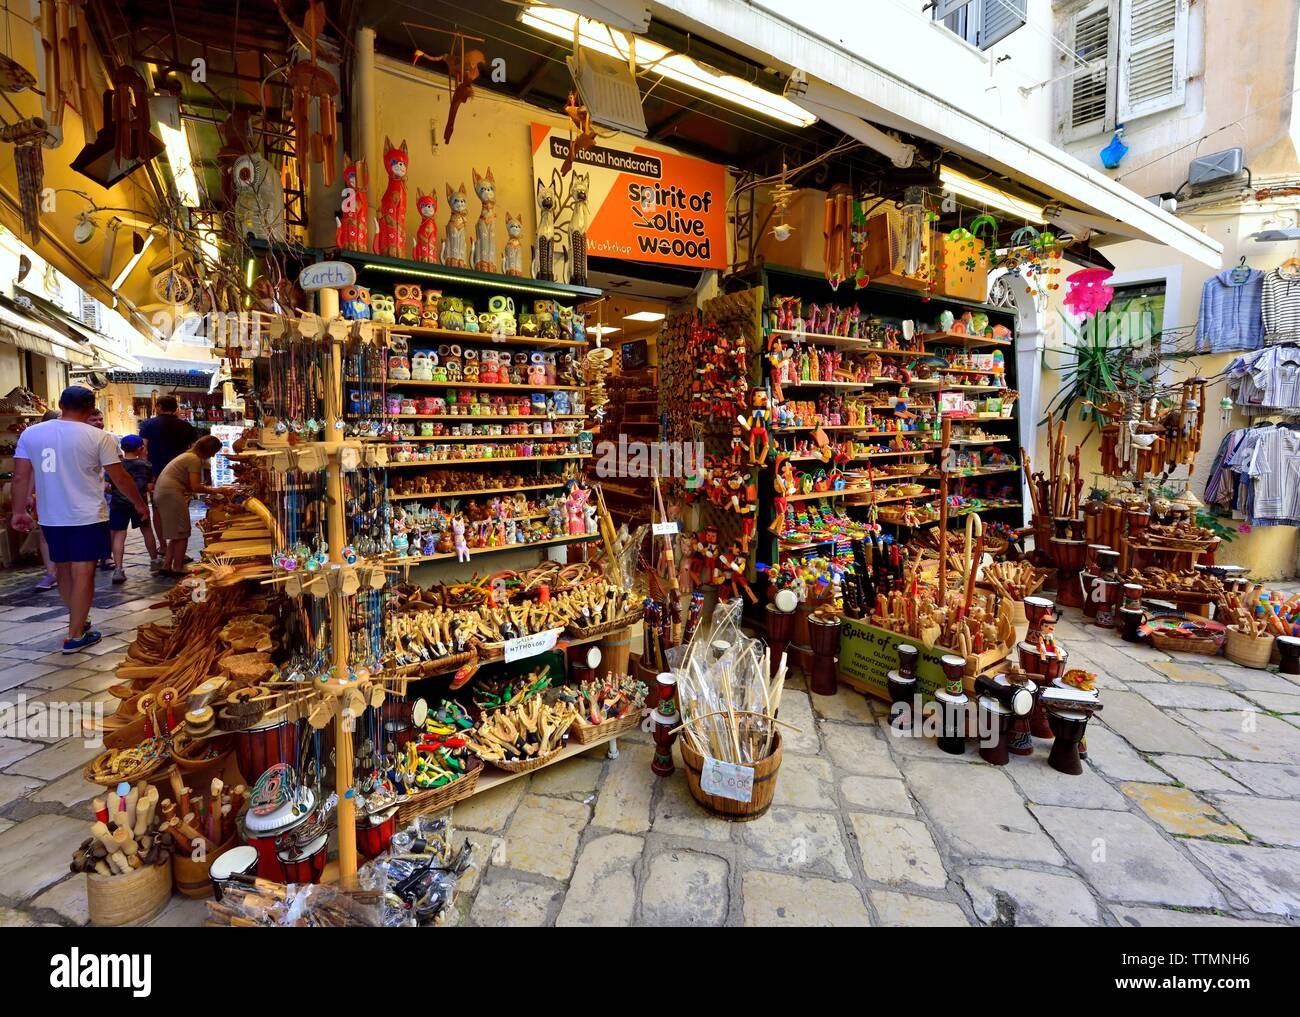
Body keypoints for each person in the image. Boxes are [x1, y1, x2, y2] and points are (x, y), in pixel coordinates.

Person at [9, 385, 150, 653]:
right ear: (89, 408)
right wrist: (140, 503)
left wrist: (18, 511)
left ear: (61, 404)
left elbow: (20, 477)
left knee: (63, 568)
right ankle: (75, 635)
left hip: (51, 515)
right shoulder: (99, 437)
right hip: (87, 514)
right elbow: (120, 478)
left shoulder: (31, 434)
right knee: (84, 571)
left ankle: (79, 621)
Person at [153, 434, 223, 575]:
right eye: (214, 453)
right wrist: (217, 490)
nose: (214, 457)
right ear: (208, 450)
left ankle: (167, 566)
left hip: (164, 493)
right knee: (182, 532)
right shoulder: (194, 459)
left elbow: (192, 485)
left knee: (176, 533)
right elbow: (195, 486)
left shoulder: (188, 456)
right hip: (171, 494)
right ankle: (178, 567)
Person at [139, 395, 196, 557]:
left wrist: (147, 475)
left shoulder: (148, 425)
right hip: (181, 474)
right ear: (175, 408)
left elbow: (143, 451)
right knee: (180, 510)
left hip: (156, 473)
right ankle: (177, 549)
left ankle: (163, 546)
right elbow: (192, 451)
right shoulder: (186, 427)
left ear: (158, 406)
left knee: (158, 510)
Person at [107, 434, 160, 582]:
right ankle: (154, 561)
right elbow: (150, 486)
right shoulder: (146, 465)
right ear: (140, 448)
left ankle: (118, 569)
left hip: (119, 503)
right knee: (147, 530)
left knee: (119, 535)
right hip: (139, 503)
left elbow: (108, 486)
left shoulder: (116, 466)